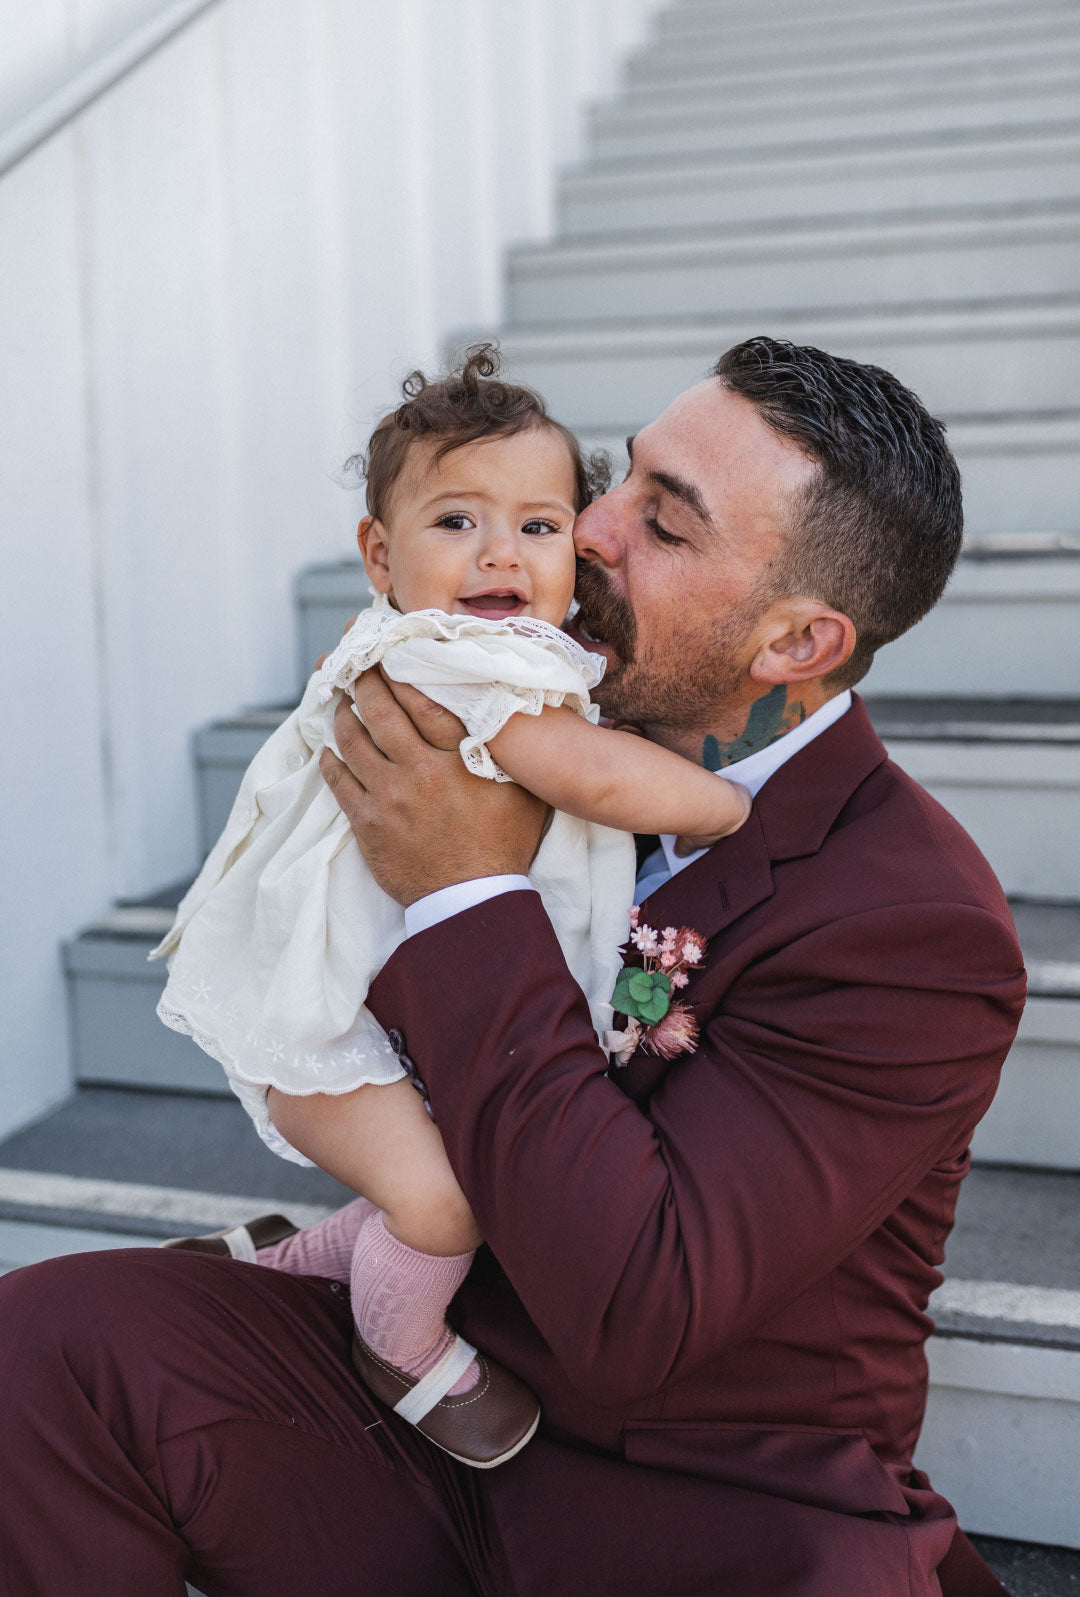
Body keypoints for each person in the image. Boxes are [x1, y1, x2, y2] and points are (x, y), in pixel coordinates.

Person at [0, 337, 1024, 1597]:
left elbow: (637, 1306)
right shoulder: (518, 708)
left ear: (796, 640)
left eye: (662, 521)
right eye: (620, 477)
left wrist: (467, 887)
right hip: (425, 1409)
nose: (585, 529)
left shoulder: (914, 923)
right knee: (46, 1347)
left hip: (705, 1504)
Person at [150, 346, 750, 1469]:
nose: (498, 553)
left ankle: (286, 1260)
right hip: (320, 1016)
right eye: (456, 522)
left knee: (450, 1167)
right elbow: (595, 776)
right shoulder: (448, 656)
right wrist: (720, 800)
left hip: (377, 994)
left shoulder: (502, 652)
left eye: (536, 525)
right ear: (380, 553)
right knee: (447, 1199)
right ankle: (403, 1352)